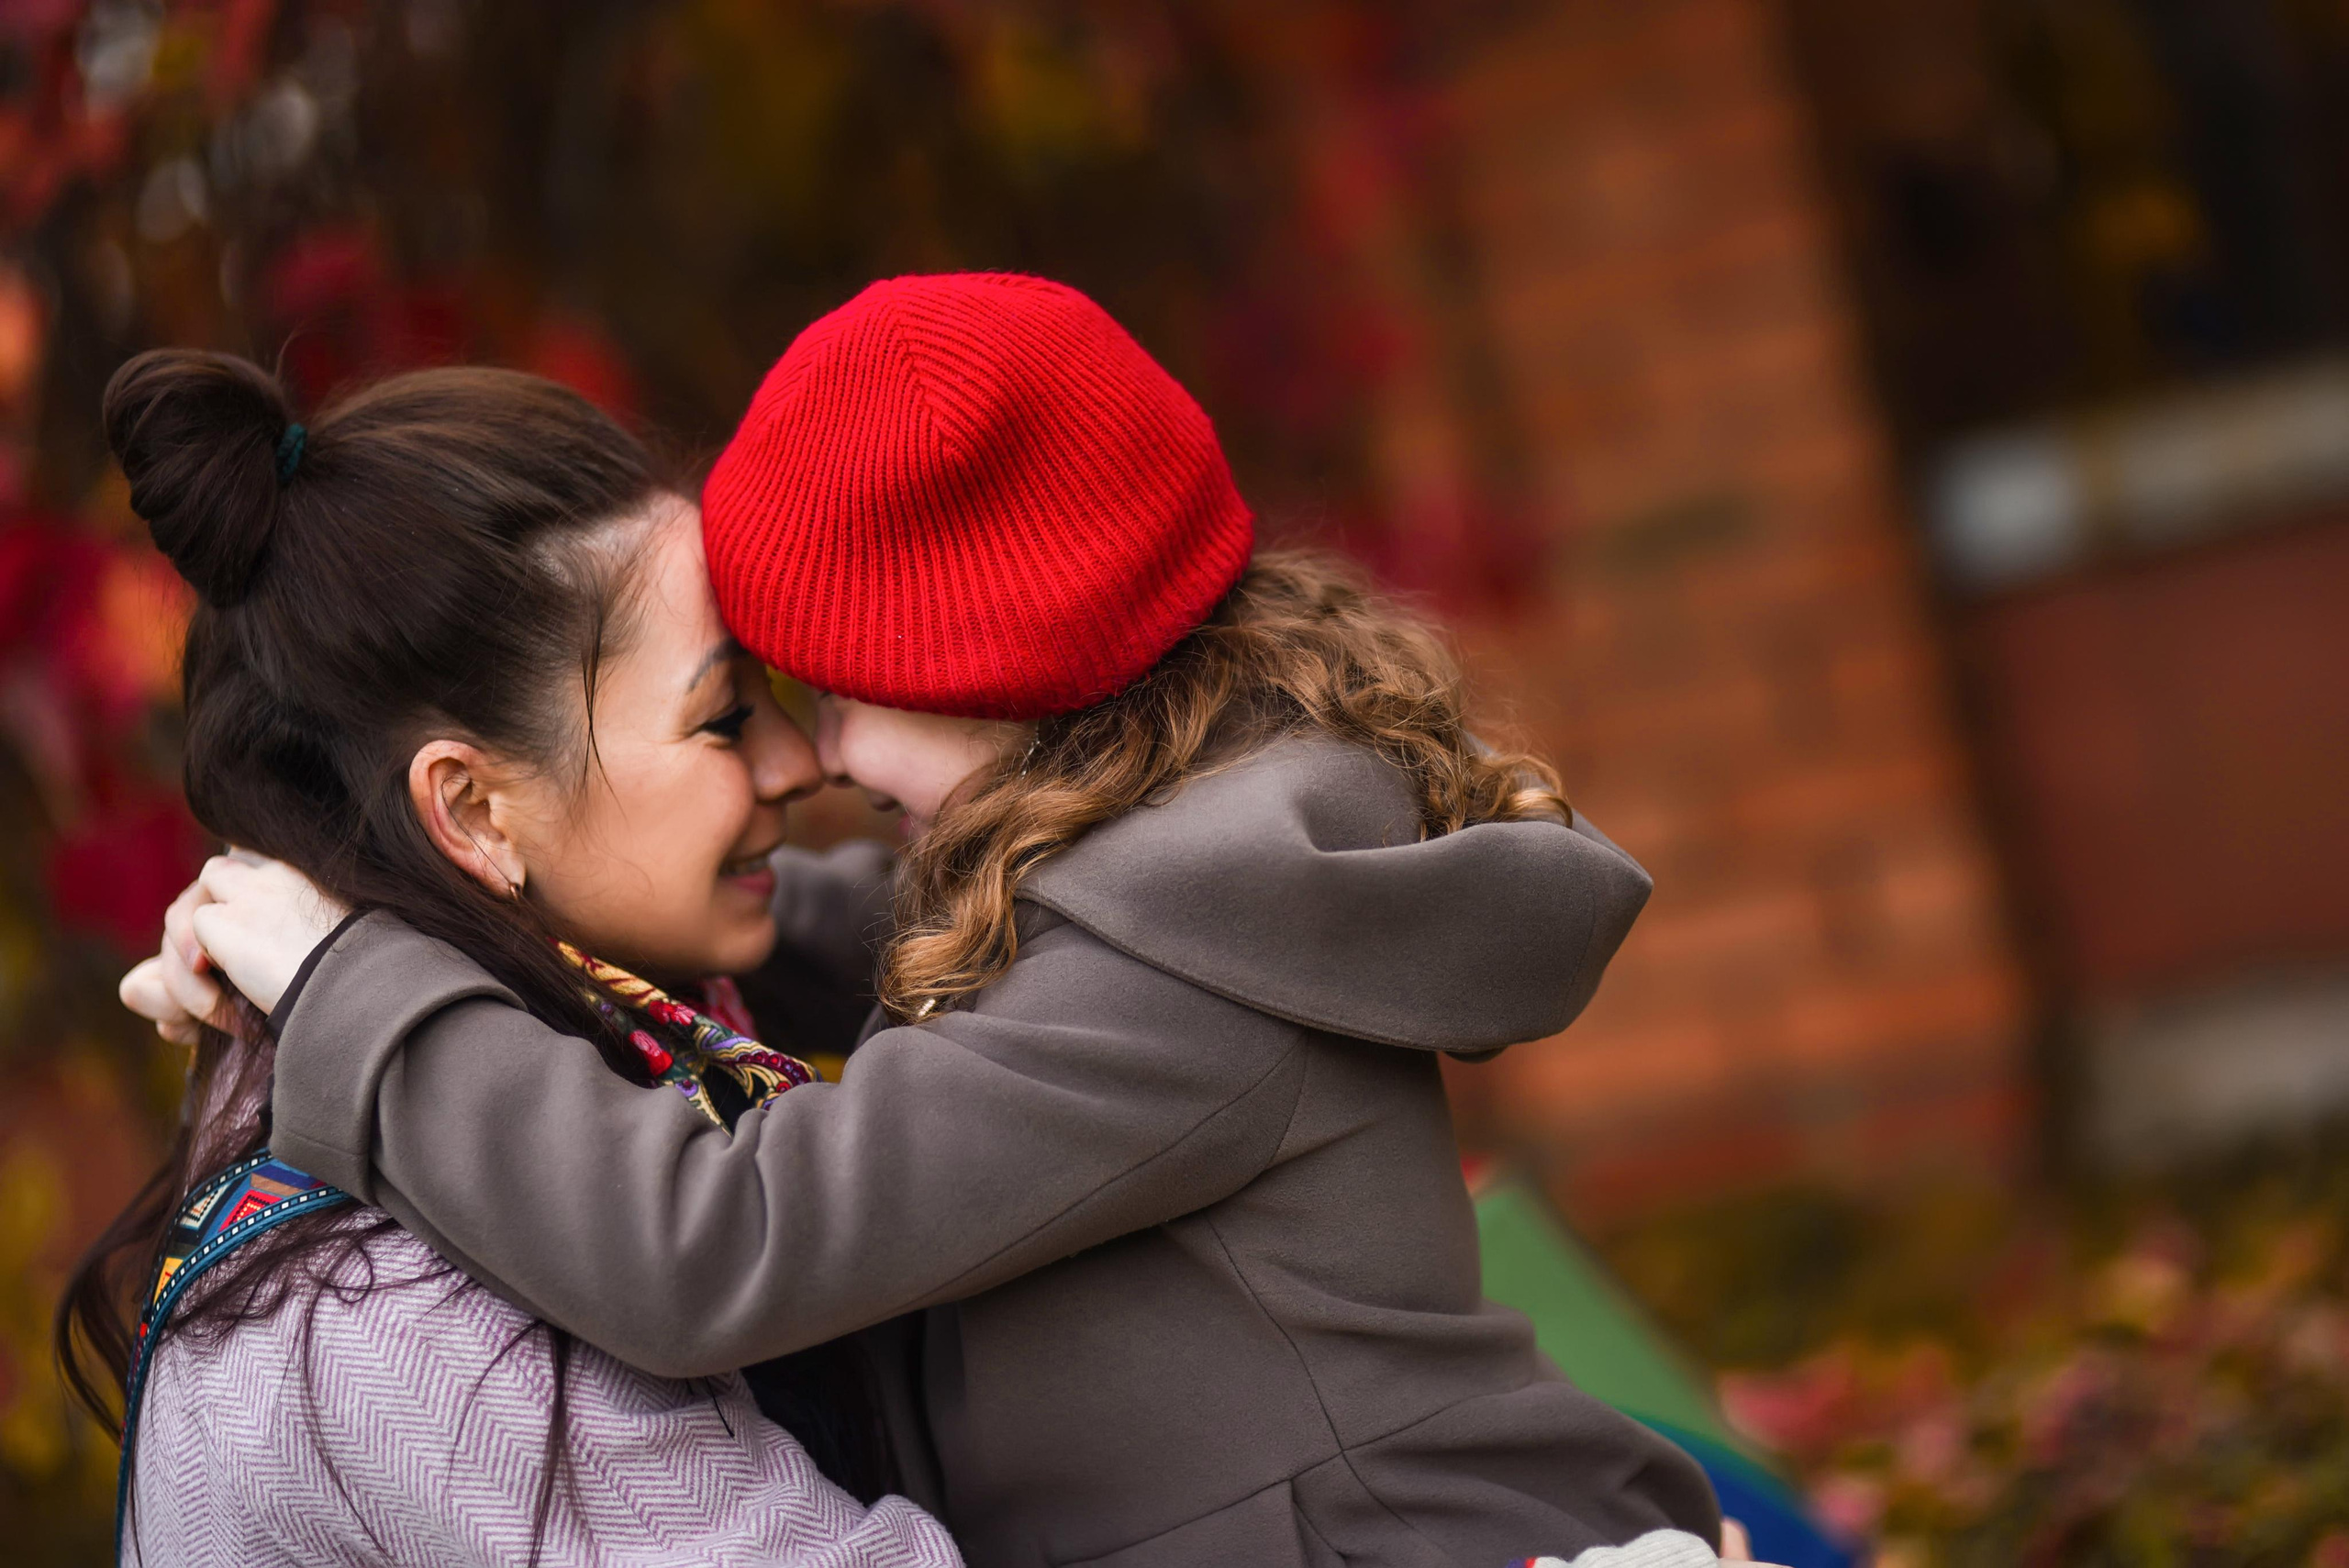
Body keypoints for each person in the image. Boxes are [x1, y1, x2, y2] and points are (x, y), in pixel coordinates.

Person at [132, 275, 1750, 1566]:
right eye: (739, 709)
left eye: (834, 690)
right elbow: (895, 926)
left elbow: (716, 1239)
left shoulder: (1168, 986)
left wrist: (358, 984)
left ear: (998, 682)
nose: (812, 753)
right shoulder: (1199, 868)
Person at [69, 350, 962, 1567]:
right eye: (726, 718)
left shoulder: (621, 1023)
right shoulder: (405, 1318)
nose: (799, 767)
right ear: (477, 813)